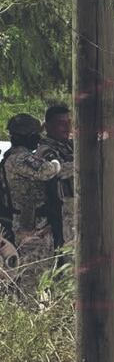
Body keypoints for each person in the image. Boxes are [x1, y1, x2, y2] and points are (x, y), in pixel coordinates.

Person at [1, 114, 64, 295]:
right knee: (31, 279)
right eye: (36, 134)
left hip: (34, 225)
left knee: (41, 276)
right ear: (27, 136)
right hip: (29, 228)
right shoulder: (19, 158)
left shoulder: (15, 157)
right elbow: (48, 170)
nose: (38, 138)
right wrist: (54, 160)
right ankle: (29, 317)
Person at [37, 103, 75, 249]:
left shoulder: (68, 146)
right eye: (61, 123)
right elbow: (58, 170)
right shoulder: (45, 150)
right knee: (67, 254)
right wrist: (85, 162)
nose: (66, 127)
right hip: (61, 212)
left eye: (68, 123)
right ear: (47, 127)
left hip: (75, 210)